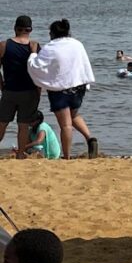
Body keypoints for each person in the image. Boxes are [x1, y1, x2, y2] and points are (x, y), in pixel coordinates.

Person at [27, 20, 97, 160]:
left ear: (52, 33)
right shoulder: (77, 44)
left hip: (60, 90)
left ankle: (67, 157)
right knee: (74, 115)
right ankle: (90, 138)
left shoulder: (50, 47)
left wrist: (33, 53)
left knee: (65, 125)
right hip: (78, 86)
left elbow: (36, 66)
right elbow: (83, 64)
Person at [0, 16, 41, 159]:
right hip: (29, 92)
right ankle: (20, 155)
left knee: (2, 122)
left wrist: (2, 86)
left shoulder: (4, 45)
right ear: (30, 30)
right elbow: (39, 71)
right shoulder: (34, 46)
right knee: (23, 125)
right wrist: (39, 92)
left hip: (9, 91)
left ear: (15, 28)